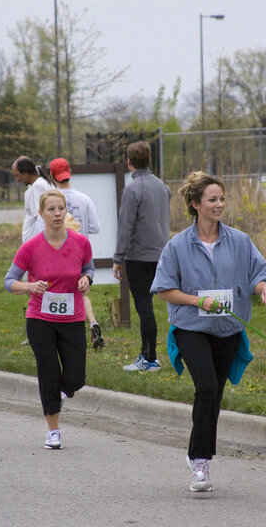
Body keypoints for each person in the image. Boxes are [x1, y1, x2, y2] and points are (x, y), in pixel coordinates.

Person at [150, 171, 266, 491]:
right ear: (195, 205)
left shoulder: (239, 241)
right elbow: (164, 290)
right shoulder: (177, 246)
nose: (219, 204)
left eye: (222, 199)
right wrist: (198, 301)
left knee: (215, 394)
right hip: (191, 327)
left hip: (227, 329)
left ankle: (202, 457)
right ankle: (199, 462)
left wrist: (264, 289)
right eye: (212, 200)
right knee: (206, 387)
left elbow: (256, 275)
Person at [3, 189, 95, 449]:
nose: (57, 214)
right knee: (49, 372)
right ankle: (53, 431)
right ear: (40, 213)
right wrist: (30, 287)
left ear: (66, 211)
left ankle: (61, 394)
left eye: (61, 208)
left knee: (76, 377)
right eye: (51, 209)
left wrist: (86, 279)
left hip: (72, 317)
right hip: (40, 318)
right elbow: (9, 281)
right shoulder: (31, 248)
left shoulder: (80, 243)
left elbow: (88, 269)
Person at [112, 141, 172, 371]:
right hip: (162, 254)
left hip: (138, 257)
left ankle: (149, 358)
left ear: (129, 161)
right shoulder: (163, 187)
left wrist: (118, 258)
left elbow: (125, 226)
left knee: (144, 308)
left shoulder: (132, 190)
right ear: (149, 160)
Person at [49, 157, 105, 349]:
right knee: (81, 290)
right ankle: (92, 323)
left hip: (57, 251)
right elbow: (95, 228)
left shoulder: (50, 201)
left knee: (58, 292)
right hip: (81, 251)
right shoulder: (84, 199)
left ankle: (63, 330)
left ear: (51, 175)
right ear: (69, 173)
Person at [12, 156, 55, 243]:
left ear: (26, 173)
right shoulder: (41, 183)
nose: (17, 179)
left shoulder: (38, 187)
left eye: (17, 175)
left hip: (36, 242)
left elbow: (41, 217)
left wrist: (39, 244)